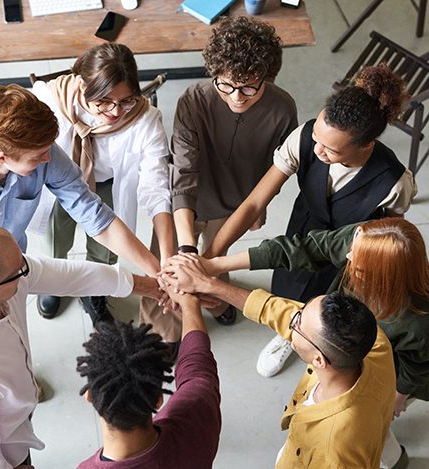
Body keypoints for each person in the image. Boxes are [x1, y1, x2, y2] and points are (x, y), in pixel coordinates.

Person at [205, 64, 416, 376]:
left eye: (330, 149)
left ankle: (312, 341)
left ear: (366, 145)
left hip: (348, 255)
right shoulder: (304, 139)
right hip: (303, 228)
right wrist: (211, 256)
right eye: (316, 137)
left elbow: (386, 237)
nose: (317, 151)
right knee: (289, 284)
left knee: (330, 309)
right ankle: (288, 333)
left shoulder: (395, 182)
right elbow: (253, 203)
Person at [0, 224, 163, 469]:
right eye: (20, 269)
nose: (27, 269)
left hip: (8, 410)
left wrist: (149, 287)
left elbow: (67, 275)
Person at [161, 257, 397, 468]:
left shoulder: (333, 453)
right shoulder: (373, 343)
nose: (290, 320)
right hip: (375, 424)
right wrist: (209, 285)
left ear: (319, 360)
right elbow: (278, 311)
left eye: (297, 324)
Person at [0, 83, 161, 289]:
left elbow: (94, 215)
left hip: (12, 271)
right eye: (38, 156)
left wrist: (157, 272)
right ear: (2, 158)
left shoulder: (42, 150)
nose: (48, 159)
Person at [168, 16, 298, 339]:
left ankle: (217, 304)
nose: (237, 96)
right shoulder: (193, 102)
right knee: (171, 266)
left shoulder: (283, 110)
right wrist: (187, 251)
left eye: (249, 87)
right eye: (225, 85)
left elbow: (274, 173)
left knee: (216, 264)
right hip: (189, 203)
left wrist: (205, 264)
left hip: (236, 205)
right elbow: (183, 176)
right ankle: (166, 330)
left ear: (267, 77)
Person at [30, 43, 173, 324]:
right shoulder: (50, 97)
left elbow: (156, 186)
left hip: (107, 183)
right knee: (55, 239)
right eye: (104, 101)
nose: (116, 112)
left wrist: (165, 259)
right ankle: (54, 282)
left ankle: (95, 290)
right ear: (83, 85)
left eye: (126, 100)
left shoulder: (145, 119)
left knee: (106, 249)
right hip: (58, 183)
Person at [76, 283, 221, 467]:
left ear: (89, 396)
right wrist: (189, 303)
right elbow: (197, 366)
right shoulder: (198, 411)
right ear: (158, 400)